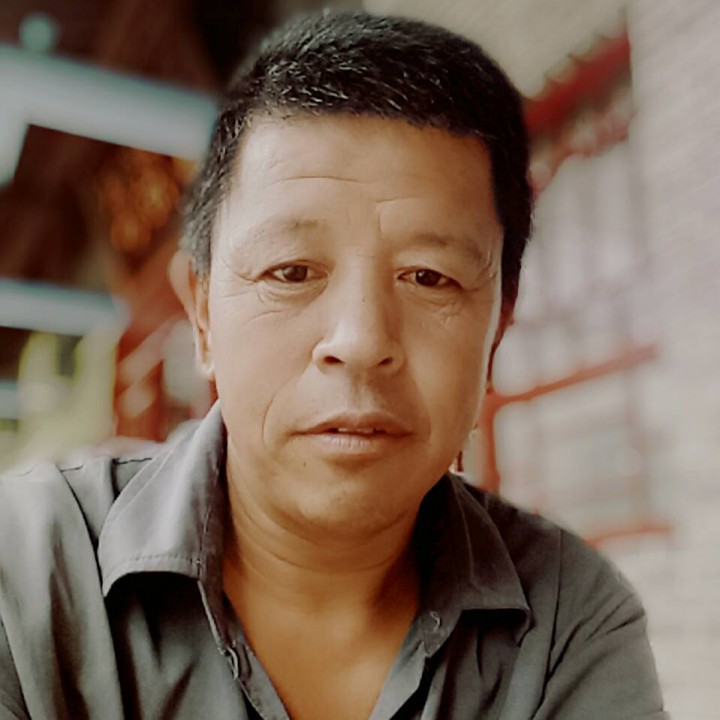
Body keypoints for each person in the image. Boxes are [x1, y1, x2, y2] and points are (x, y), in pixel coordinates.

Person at [0, 11, 667, 720]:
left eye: (430, 277)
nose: (360, 339)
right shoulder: (27, 570)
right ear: (202, 316)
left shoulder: (569, 620)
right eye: (291, 271)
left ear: (496, 331)